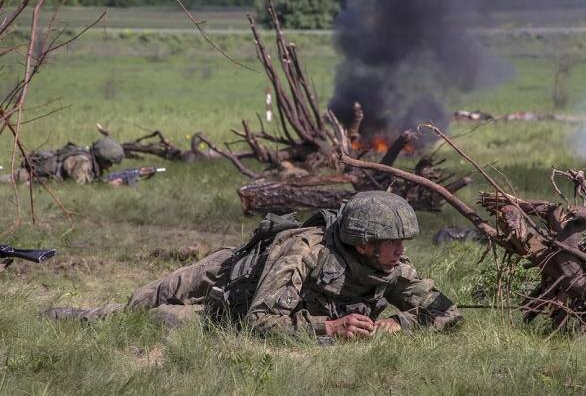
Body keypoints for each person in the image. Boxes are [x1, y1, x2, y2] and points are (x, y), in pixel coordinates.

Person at [45, 191, 463, 339]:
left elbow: (449, 315)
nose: (400, 252)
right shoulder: (305, 250)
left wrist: (399, 324)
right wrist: (330, 329)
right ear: (364, 243)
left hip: (230, 317)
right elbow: (262, 323)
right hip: (227, 278)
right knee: (143, 304)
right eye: (392, 243)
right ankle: (82, 318)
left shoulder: (388, 268)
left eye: (403, 243)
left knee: (164, 322)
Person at [0, 137, 125, 184]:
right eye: (108, 162)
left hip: (37, 178)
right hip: (30, 176)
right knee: (8, 180)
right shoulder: (83, 160)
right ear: (101, 157)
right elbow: (78, 182)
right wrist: (104, 185)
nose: (109, 166)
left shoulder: (87, 158)